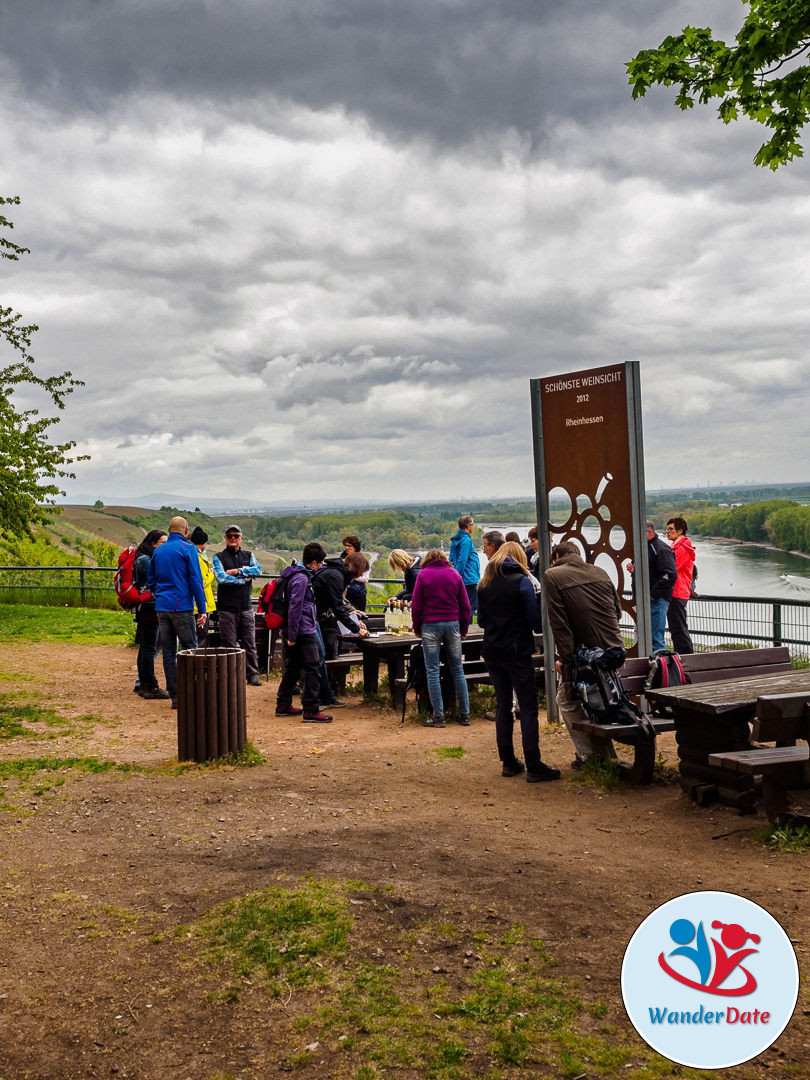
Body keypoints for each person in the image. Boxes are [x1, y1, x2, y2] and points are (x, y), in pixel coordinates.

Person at [478, 542, 560, 782]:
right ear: (518, 558)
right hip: (517, 650)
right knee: (528, 706)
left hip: (492, 650)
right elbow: (535, 621)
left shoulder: (484, 584)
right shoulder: (522, 582)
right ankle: (534, 764)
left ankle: (508, 761)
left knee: (503, 705)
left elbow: (481, 621)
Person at [543, 541, 624, 768]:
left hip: (588, 656)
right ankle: (603, 755)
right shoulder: (600, 571)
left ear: (557, 555)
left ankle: (590, 756)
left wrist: (565, 659)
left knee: (567, 700)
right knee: (596, 700)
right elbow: (617, 612)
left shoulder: (553, 575)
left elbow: (560, 625)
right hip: (614, 649)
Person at [146, 516, 208, 709]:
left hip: (162, 607)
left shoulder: (159, 550)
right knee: (191, 649)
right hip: (181, 606)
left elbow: (151, 580)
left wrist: (161, 595)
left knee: (169, 652)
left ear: (169, 529)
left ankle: (175, 696)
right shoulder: (188, 549)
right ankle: (195, 693)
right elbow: (196, 580)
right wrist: (202, 609)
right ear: (186, 530)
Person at [411, 549, 471, 728]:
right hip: (452, 623)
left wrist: (417, 627)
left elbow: (416, 605)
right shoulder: (454, 574)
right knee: (458, 669)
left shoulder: (423, 575)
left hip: (430, 625)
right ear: (444, 559)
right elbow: (465, 605)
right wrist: (464, 627)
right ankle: (465, 714)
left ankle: (438, 716)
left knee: (433, 670)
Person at [276, 542, 333, 723]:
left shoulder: (293, 574)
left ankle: (283, 704)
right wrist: (292, 636)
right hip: (304, 629)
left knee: (293, 667)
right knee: (313, 667)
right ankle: (311, 709)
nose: (321, 566)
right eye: (320, 563)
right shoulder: (301, 579)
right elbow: (295, 607)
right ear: (315, 563)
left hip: (296, 629)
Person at [212, 525, 263, 686]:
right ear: (225, 538)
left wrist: (237, 571)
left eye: (236, 535)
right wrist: (244, 579)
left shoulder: (249, 555)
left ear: (241, 538)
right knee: (228, 644)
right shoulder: (218, 557)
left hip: (245, 607)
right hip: (226, 608)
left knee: (250, 642)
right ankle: (232, 676)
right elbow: (221, 578)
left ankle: (252, 675)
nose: (233, 538)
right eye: (230, 536)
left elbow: (258, 570)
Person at [625, 521, 677, 655]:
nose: (634, 536)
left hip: (655, 601)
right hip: (643, 599)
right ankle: (647, 670)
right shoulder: (643, 549)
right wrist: (635, 572)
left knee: (655, 640)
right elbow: (650, 572)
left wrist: (651, 594)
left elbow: (670, 575)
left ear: (648, 532)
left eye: (636, 533)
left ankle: (663, 672)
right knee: (640, 637)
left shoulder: (661, 549)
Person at [132, 529, 168, 699]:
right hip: (150, 607)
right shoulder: (146, 560)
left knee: (146, 647)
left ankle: (143, 684)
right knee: (149, 647)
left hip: (145, 607)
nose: (165, 546)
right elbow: (156, 582)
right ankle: (149, 685)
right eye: (163, 542)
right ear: (153, 543)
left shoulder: (142, 557)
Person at [666, 516, 696, 654]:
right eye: (667, 529)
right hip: (676, 591)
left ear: (680, 531)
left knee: (679, 628)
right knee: (676, 628)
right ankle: (681, 658)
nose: (667, 532)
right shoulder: (677, 546)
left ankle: (686, 659)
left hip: (678, 591)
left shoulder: (682, 548)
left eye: (671, 529)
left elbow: (671, 568)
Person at [448, 514, 481, 616]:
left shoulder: (455, 540)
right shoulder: (466, 540)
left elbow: (451, 559)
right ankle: (467, 629)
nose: (473, 527)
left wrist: (454, 575)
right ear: (468, 526)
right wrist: (459, 575)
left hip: (462, 578)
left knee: (462, 607)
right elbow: (462, 560)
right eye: (472, 525)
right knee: (470, 607)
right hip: (469, 578)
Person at [189, 526, 216, 647]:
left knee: (196, 636)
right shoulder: (198, 558)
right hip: (201, 604)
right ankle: (199, 662)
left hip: (197, 604)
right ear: (203, 543)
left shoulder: (194, 555)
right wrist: (211, 573)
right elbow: (202, 581)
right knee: (201, 636)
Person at [341, 535, 369, 610]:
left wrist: (352, 575)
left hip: (358, 594)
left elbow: (365, 578)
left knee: (359, 615)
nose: (346, 548)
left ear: (355, 547)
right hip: (344, 593)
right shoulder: (342, 558)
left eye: (349, 546)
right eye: (345, 546)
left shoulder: (362, 560)